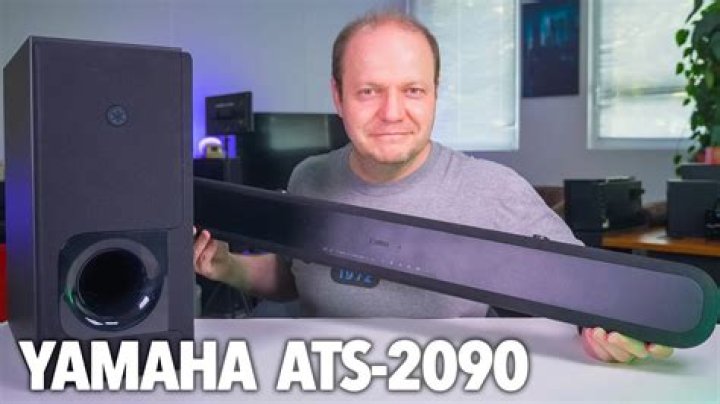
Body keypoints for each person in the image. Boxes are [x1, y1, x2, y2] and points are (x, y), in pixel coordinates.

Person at [194, 11, 672, 364]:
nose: (392, 113)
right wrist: (228, 267)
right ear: (337, 96)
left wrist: (610, 328)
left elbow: (590, 294)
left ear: (436, 94)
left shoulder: (494, 191)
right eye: (369, 91)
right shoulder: (308, 177)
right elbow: (294, 277)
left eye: (413, 90)